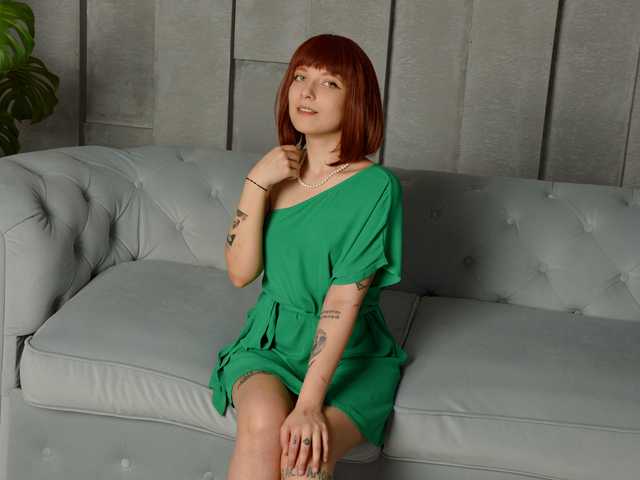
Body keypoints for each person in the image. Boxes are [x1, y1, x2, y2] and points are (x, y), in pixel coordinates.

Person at [209, 33, 409, 480]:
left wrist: (309, 406)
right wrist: (255, 182)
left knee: (304, 457)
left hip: (352, 355)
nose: (307, 91)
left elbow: (342, 301)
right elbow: (240, 274)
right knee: (262, 423)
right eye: (300, 77)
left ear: (356, 101)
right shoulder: (276, 174)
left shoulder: (375, 188)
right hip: (270, 345)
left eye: (329, 83)